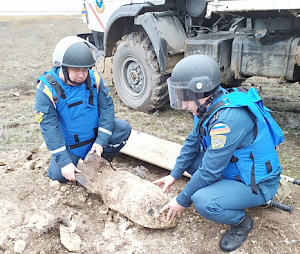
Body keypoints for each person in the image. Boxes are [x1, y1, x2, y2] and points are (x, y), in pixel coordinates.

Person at [153, 54, 284, 252]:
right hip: (235, 169)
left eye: (185, 97)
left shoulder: (227, 120)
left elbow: (209, 171)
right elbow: (192, 141)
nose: (183, 104)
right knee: (188, 163)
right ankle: (225, 193)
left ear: (201, 90)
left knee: (203, 201)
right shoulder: (208, 106)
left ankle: (242, 223)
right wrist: (174, 175)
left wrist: (181, 200)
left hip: (257, 183)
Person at [34, 36, 131, 183]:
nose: (82, 75)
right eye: (76, 70)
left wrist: (100, 142)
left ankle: (99, 161)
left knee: (123, 128)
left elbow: (107, 109)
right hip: (70, 145)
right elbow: (49, 128)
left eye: (85, 70)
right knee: (59, 176)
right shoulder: (46, 89)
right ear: (63, 67)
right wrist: (64, 162)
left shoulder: (95, 79)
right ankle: (67, 160)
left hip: (94, 139)